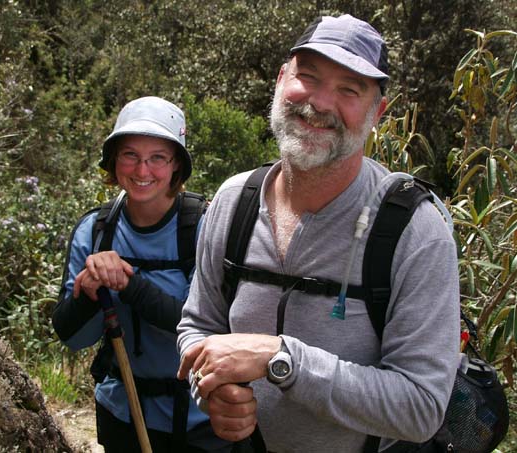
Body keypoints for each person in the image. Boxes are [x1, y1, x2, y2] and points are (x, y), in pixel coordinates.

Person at [177, 14, 460, 453]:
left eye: (349, 89)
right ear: (280, 81)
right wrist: (211, 387)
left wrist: (282, 360)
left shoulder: (414, 231)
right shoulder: (234, 202)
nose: (320, 102)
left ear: (376, 112)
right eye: (307, 77)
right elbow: (198, 325)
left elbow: (421, 407)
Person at [53, 96, 231, 452]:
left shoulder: (204, 227)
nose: (142, 170)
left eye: (157, 158)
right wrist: (89, 293)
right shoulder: (95, 230)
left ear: (176, 164)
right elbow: (71, 336)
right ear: (114, 160)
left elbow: (207, 330)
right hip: (121, 413)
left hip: (199, 418)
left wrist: (130, 285)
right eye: (130, 155)